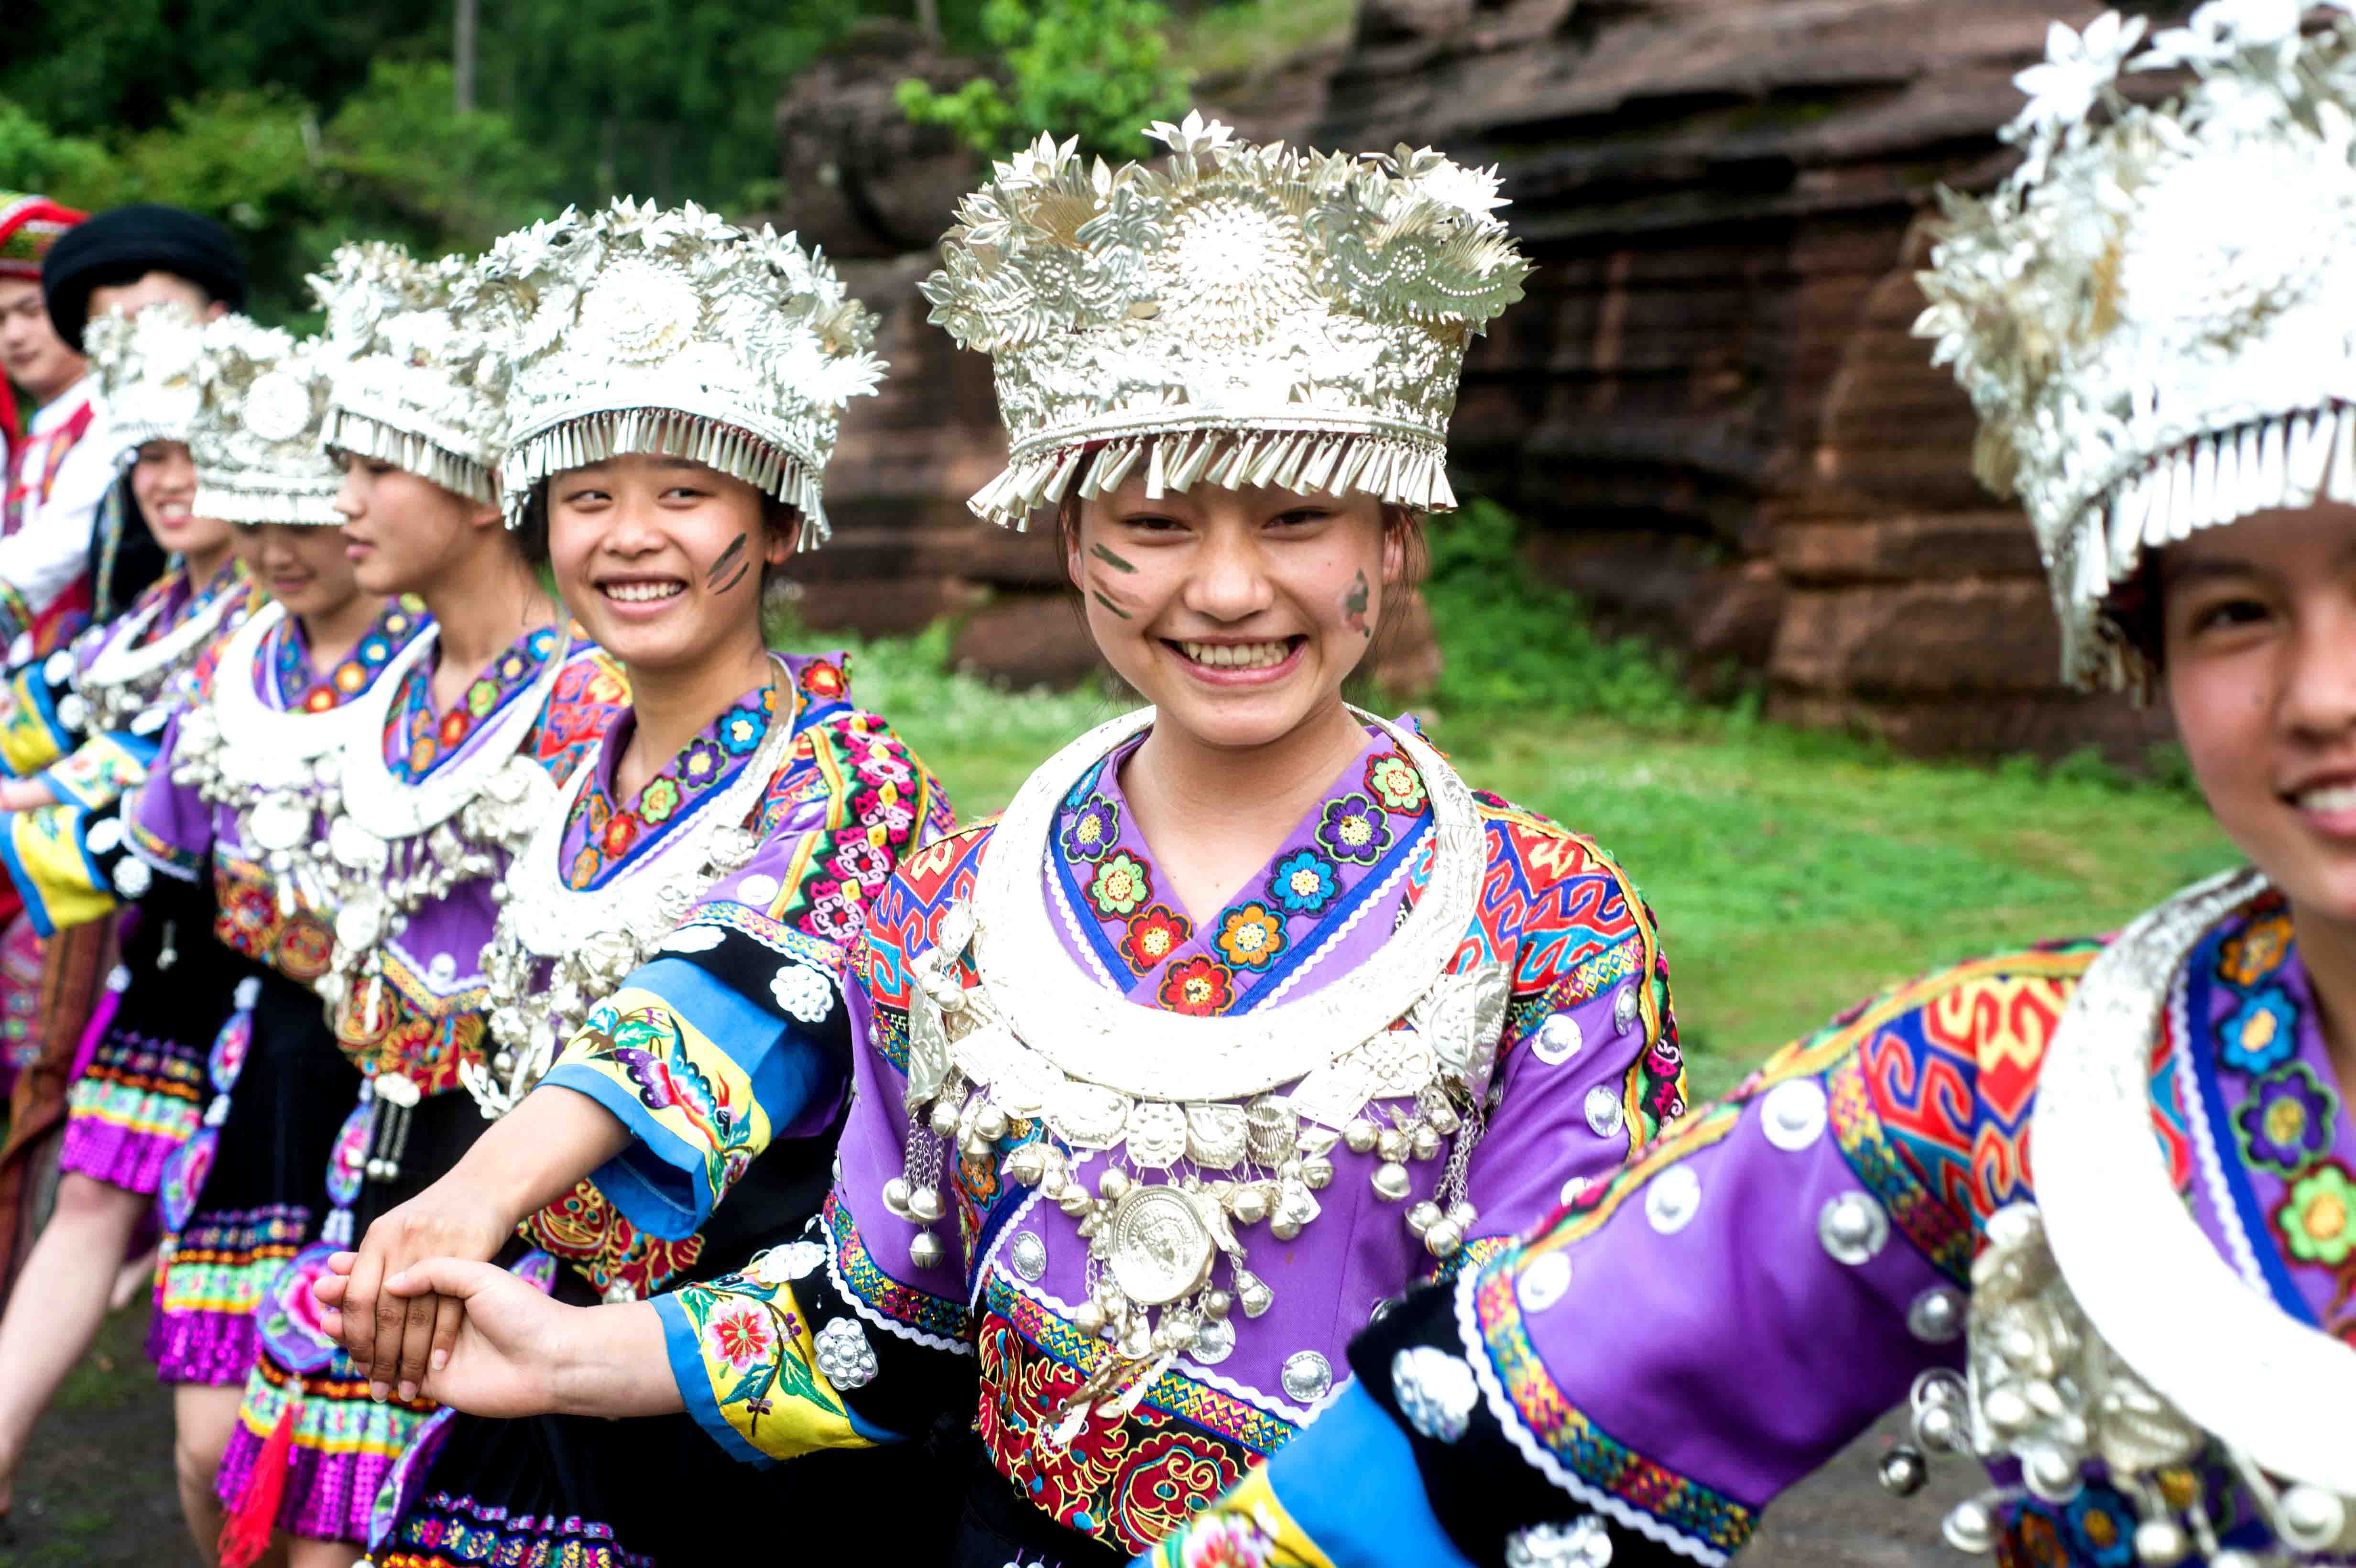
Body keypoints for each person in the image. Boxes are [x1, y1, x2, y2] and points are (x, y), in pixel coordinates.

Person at [319, 118, 1689, 1567]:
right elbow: (886, 1335)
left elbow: (1563, 1395)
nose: (1225, 589)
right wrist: (564, 1359)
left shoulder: (1552, 928)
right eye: (1153, 522)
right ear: (1067, 539)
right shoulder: (959, 910)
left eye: (1297, 516)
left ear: (1397, 541)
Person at [1136, 9, 2356, 1567]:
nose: (2326, 696)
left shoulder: (1551, 918)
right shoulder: (2000, 1089)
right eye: (2237, 612)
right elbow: (1449, 1462)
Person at [321, 198, 957, 1568]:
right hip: (539, 1319)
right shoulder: (559, 749)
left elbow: (712, 1009)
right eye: (588, 496)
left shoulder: (847, 778)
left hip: (726, 1382)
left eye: (686, 493)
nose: (629, 535)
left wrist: (472, 1198)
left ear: (779, 529)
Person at [190, 243, 624, 1568]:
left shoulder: (587, 702)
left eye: (375, 469)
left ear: (490, 491)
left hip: (511, 1190)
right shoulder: (389, 690)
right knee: (254, 1489)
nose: (343, 504)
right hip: (360, 1152)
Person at [0, 305, 296, 1549]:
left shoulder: (271, 629)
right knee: (89, 1204)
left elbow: (110, 817)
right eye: (148, 457)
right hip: (171, 981)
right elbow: (35, 737)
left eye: (195, 453)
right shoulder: (151, 621)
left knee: (229, 1433)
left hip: (272, 1006)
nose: (169, 483)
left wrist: (40, 806)